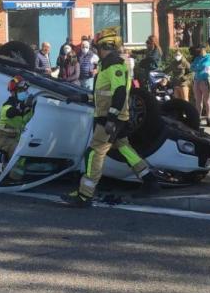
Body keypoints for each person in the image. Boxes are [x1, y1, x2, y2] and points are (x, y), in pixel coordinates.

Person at [60, 27, 161, 207]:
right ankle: (150, 180)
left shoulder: (114, 65)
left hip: (109, 119)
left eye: (97, 46)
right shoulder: (106, 64)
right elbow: (103, 94)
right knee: (124, 147)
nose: (95, 50)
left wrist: (111, 120)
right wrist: (82, 97)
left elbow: (120, 93)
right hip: (110, 117)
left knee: (94, 152)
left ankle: (85, 194)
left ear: (106, 46)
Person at [0, 76, 33, 182]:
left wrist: (30, 108)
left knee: (21, 154)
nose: (25, 93)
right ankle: (6, 176)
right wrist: (22, 107)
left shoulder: (23, 106)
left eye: (25, 90)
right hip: (3, 138)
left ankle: (14, 177)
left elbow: (27, 118)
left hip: (15, 138)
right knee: (18, 153)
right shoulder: (8, 106)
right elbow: (10, 113)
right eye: (22, 90)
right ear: (14, 92)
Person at [191, 45, 210, 126]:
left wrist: (197, 67)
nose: (198, 52)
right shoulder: (197, 58)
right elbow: (191, 67)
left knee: (207, 100)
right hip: (197, 80)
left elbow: (205, 65)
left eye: (199, 50)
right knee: (198, 100)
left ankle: (209, 118)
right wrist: (198, 67)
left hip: (205, 80)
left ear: (203, 49)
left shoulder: (209, 57)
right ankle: (198, 118)